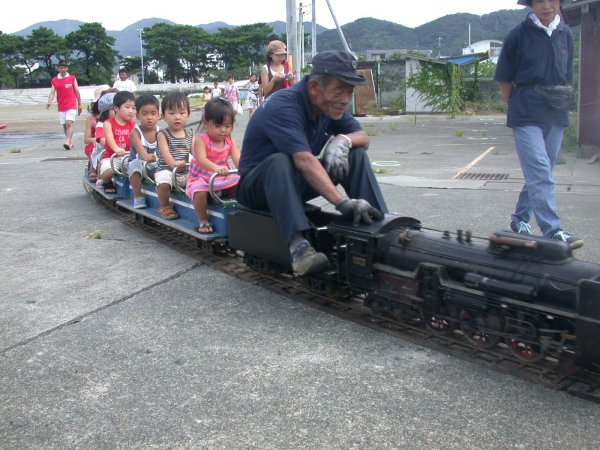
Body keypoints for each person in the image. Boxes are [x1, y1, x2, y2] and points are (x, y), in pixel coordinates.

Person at [236, 50, 387, 277]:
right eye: (339, 91)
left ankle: (380, 227)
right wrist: (341, 202)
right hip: (258, 189)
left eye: (349, 92)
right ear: (315, 87)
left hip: (293, 184)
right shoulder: (284, 105)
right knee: (279, 161)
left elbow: (362, 137)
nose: (345, 99)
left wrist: (343, 139)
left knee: (354, 153)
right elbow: (303, 160)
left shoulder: (329, 105)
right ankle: (299, 248)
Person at [494, 0, 581, 245]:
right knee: (540, 170)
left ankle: (520, 218)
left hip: (555, 110)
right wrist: (515, 107)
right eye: (539, 0)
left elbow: (568, 76)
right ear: (531, 4)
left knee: (542, 171)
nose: (546, 6)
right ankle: (552, 230)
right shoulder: (517, 35)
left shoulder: (565, 34)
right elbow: (504, 78)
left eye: (551, 0)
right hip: (526, 110)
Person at [186, 98, 241, 233]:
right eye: (218, 126)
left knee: (241, 183)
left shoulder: (229, 140)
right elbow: (201, 159)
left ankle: (239, 213)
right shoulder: (201, 139)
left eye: (227, 126)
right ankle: (203, 220)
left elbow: (238, 159)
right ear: (205, 123)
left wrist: (248, 169)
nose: (223, 130)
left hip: (221, 177)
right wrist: (216, 168)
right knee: (199, 192)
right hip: (202, 177)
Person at [155, 92, 193, 220]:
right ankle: (164, 205)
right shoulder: (162, 134)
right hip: (168, 170)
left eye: (182, 113)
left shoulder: (191, 134)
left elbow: (197, 153)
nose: (177, 117)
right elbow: (165, 152)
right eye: (172, 113)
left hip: (185, 171)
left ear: (188, 114)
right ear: (163, 116)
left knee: (201, 179)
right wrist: (174, 164)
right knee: (164, 181)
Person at [98, 90, 137, 194]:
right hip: (112, 157)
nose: (131, 111)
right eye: (127, 107)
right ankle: (106, 182)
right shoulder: (108, 123)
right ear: (116, 108)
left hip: (128, 157)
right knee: (108, 170)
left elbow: (138, 140)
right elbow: (109, 138)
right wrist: (116, 149)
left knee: (140, 168)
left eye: (133, 108)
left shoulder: (133, 125)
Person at [128, 94, 161, 209]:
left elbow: (164, 149)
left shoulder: (160, 132)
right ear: (137, 115)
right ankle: (138, 196)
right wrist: (146, 156)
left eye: (153, 113)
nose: (149, 117)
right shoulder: (135, 132)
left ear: (159, 115)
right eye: (145, 114)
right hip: (140, 163)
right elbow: (139, 148)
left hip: (154, 164)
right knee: (134, 165)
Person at [46, 60, 83, 150]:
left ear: (67, 68)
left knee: (69, 123)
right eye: (61, 67)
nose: (63, 69)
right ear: (58, 68)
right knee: (64, 125)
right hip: (61, 106)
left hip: (71, 105)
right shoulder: (55, 80)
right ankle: (70, 141)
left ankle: (67, 141)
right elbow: (52, 92)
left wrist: (80, 104)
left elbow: (77, 92)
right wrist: (49, 102)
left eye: (65, 67)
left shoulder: (72, 78)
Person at [83, 85, 111, 182]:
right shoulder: (92, 119)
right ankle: (93, 167)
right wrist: (97, 139)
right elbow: (86, 139)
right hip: (98, 142)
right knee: (93, 146)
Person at [90, 92, 117, 189]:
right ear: (106, 111)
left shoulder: (122, 123)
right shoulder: (101, 125)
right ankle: (100, 178)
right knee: (104, 156)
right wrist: (117, 147)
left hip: (118, 150)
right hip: (103, 151)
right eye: (114, 109)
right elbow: (104, 142)